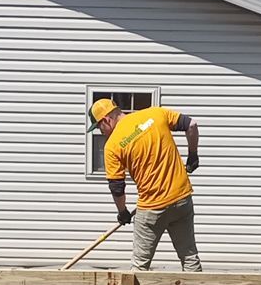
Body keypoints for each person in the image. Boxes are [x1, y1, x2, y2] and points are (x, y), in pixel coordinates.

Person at [86, 98, 202, 271]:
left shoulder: (112, 145)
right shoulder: (155, 113)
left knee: (139, 266)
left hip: (152, 209)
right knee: (189, 257)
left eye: (99, 128)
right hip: (181, 199)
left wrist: (122, 212)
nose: (102, 132)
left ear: (106, 120)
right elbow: (191, 125)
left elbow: (117, 187)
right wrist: (193, 156)